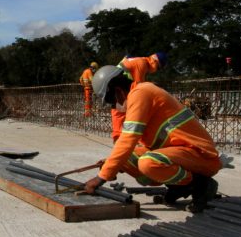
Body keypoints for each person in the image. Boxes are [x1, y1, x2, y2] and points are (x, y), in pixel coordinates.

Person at [82, 65, 221, 213]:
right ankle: (179, 186)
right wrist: (111, 163)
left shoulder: (141, 93)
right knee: (127, 160)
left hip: (201, 156)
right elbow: (135, 145)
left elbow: (128, 140)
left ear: (118, 91)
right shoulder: (137, 96)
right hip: (180, 154)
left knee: (148, 163)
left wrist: (101, 178)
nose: (114, 107)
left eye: (112, 102)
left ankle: (200, 184)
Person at [110, 52, 167, 142]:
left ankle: (118, 138)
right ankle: (133, 139)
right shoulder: (142, 63)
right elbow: (138, 87)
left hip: (114, 85)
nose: (156, 70)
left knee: (118, 112)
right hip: (118, 87)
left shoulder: (138, 60)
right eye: (158, 67)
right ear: (155, 61)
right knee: (131, 111)